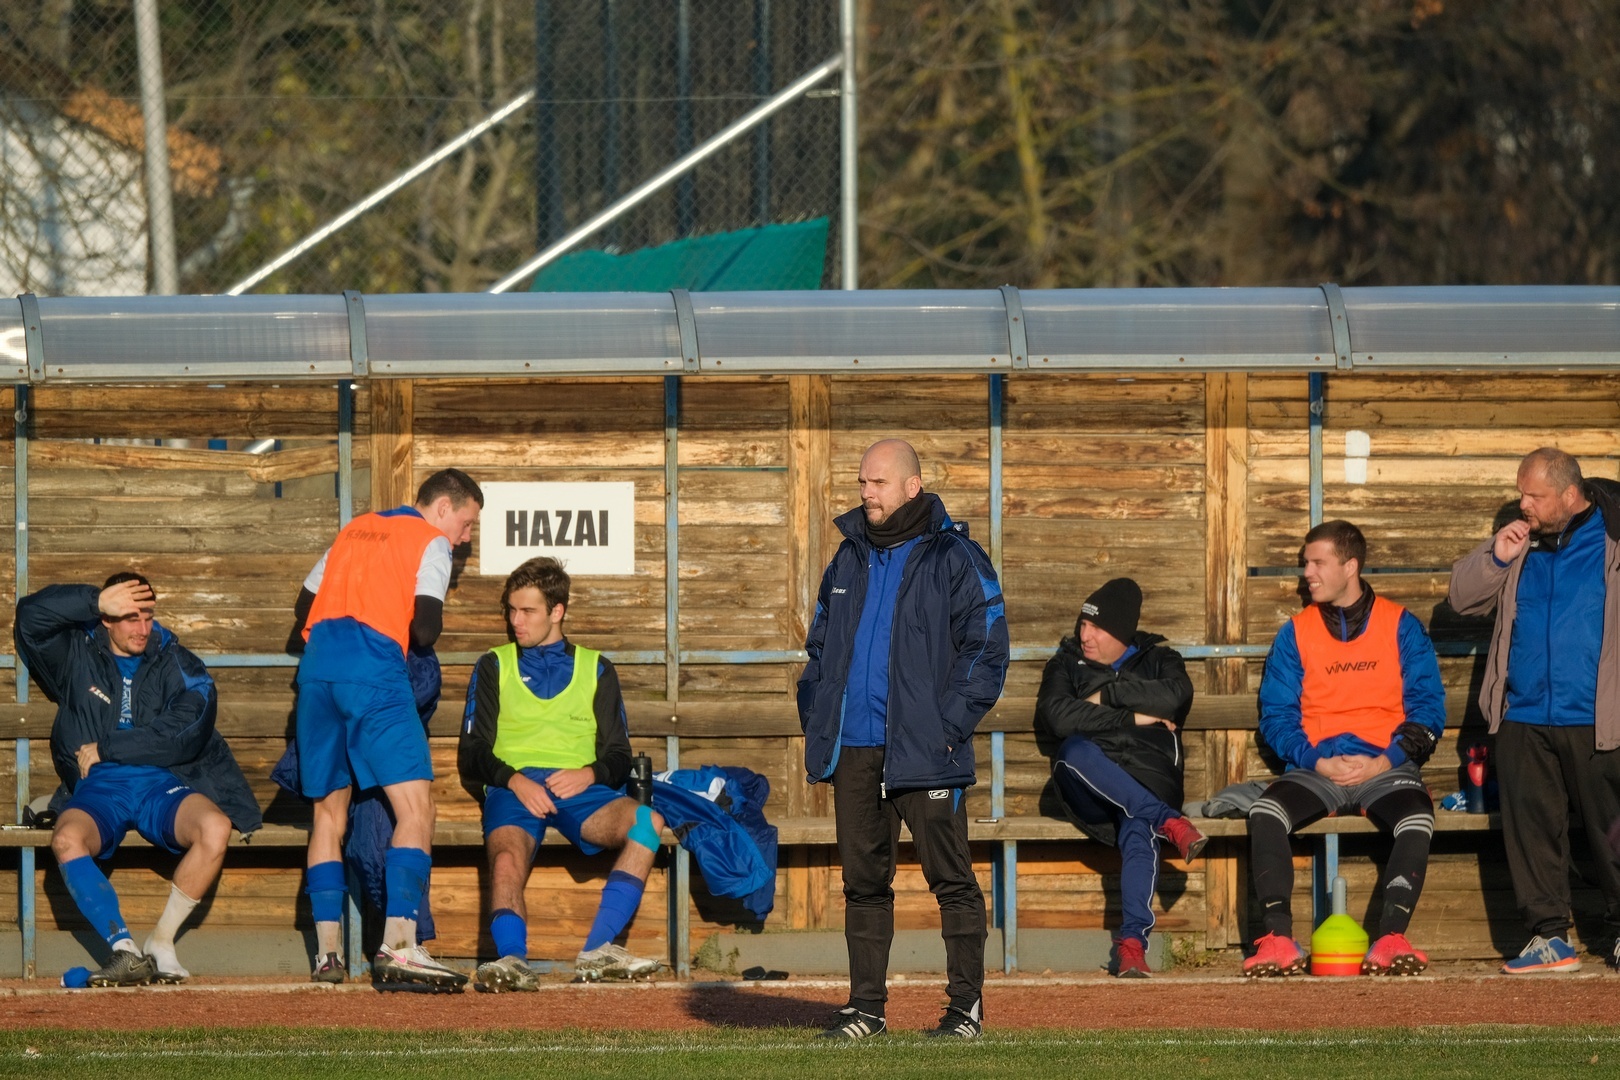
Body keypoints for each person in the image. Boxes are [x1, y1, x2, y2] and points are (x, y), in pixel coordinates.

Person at [799, 438, 1009, 1039]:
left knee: (952, 881)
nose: (866, 492)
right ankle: (866, 1010)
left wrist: (945, 728)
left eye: (878, 482)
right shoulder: (847, 559)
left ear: (912, 486)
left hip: (928, 752)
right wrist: (819, 715)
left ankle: (964, 1010)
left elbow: (988, 646)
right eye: (862, 482)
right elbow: (819, 649)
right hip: (855, 751)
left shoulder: (956, 556)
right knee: (864, 886)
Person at [15, 573, 261, 986]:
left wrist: (110, 747)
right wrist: (94, 600)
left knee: (216, 827)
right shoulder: (76, 652)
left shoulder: (174, 659)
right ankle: (125, 950)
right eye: (130, 617)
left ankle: (161, 943)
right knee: (66, 839)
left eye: (148, 616)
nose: (143, 628)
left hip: (161, 781)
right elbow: (29, 617)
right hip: (99, 786)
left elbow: (190, 724)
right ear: (107, 618)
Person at [292, 468, 482, 990]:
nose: (465, 538)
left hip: (317, 675)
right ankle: (400, 946)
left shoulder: (354, 529)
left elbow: (304, 605)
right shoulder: (430, 541)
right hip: (374, 675)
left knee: (327, 816)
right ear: (443, 508)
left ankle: (327, 956)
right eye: (466, 524)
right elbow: (425, 628)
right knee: (417, 808)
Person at [1245, 520, 1446, 977]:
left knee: (1417, 817)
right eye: (1305, 563)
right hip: (1319, 770)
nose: (1307, 574)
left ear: (1350, 566)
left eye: (1318, 563)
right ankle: (1278, 940)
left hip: (1385, 769)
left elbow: (1429, 710)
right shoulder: (1295, 633)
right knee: (1265, 812)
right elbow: (1276, 717)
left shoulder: (1401, 625)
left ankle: (1391, 939)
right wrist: (1316, 761)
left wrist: (1385, 760)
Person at [1449, 447, 1620, 974]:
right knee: (1532, 833)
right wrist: (1497, 557)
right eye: (1521, 493)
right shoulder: (1519, 543)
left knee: (1612, 833)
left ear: (1570, 494)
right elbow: (1462, 599)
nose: (1523, 504)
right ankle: (1549, 937)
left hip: (1599, 717)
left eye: (1534, 496)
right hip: (1522, 715)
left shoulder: (1613, 538)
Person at [458, 556, 663, 990]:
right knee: (506, 859)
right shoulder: (493, 664)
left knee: (648, 822)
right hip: (514, 788)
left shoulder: (597, 667)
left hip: (580, 791)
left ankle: (597, 951)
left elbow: (619, 755)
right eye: (511, 610)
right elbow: (471, 753)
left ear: (557, 611)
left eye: (527, 611)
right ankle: (511, 961)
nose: (515, 621)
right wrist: (514, 780)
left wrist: (589, 774)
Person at [1034, 577, 1202, 978]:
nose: (1085, 635)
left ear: (1122, 633)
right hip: (1090, 787)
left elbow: (1175, 696)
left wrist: (1108, 696)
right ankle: (1168, 820)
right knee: (1073, 752)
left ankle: (1133, 947)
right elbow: (1057, 715)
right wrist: (1133, 717)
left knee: (1137, 826)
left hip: (1149, 777)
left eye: (1097, 627)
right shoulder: (1066, 663)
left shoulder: (1161, 659)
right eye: (1083, 624)